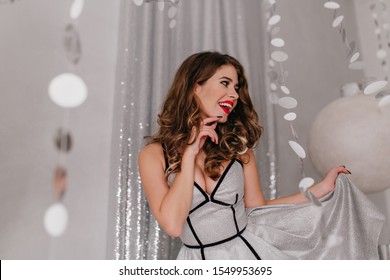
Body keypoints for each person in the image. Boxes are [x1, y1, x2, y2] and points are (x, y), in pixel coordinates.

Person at [138, 51, 384, 259]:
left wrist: (322, 188)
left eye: (237, 87)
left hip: (247, 255)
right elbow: (171, 224)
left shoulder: (238, 147)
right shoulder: (154, 155)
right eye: (225, 83)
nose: (234, 95)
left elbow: (258, 207)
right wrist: (190, 154)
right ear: (195, 86)